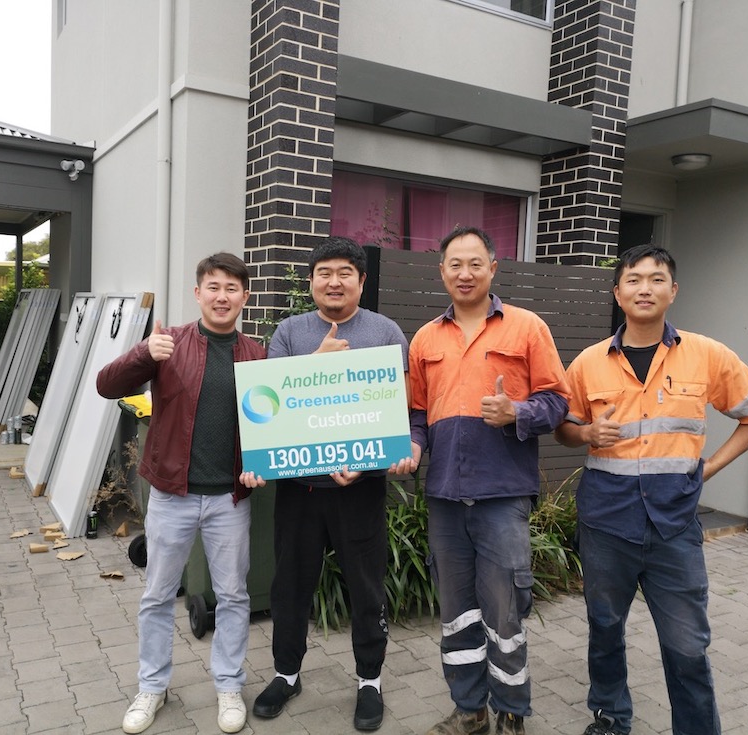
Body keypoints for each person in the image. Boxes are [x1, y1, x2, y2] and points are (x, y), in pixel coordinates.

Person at [554, 244, 748, 735]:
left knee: (687, 645)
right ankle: (611, 717)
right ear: (617, 293)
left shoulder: (706, 354)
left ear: (673, 291)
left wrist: (709, 468)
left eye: (656, 279)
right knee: (605, 629)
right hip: (606, 524)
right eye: (633, 280)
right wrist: (586, 432)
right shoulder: (589, 362)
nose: (645, 289)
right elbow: (564, 429)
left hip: (673, 527)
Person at [242, 236, 412, 732]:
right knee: (290, 586)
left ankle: (369, 680)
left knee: (366, 587)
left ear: (361, 280)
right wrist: (316, 361)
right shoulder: (290, 331)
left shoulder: (384, 331)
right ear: (312, 280)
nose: (334, 282)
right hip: (300, 488)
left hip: (360, 488)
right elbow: (271, 402)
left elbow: (397, 405)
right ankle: (286, 674)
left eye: (344, 273)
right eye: (324, 273)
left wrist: (366, 461)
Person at [409, 226, 571, 735]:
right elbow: (417, 411)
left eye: (475, 263)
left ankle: (511, 712)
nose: (465, 273)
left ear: (493, 269)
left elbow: (557, 401)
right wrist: (413, 443)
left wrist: (516, 411)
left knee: (504, 612)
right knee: (456, 611)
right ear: (442, 271)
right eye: (455, 264)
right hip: (445, 495)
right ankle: (470, 709)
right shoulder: (425, 338)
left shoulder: (526, 327)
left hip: (502, 495)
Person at [96, 252, 265, 735]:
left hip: (230, 499)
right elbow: (106, 385)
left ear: (244, 297)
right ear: (198, 293)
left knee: (233, 596)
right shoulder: (168, 344)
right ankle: (152, 687)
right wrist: (143, 353)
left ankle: (228, 684)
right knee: (157, 595)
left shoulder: (257, 355)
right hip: (173, 495)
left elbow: (269, 421)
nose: (221, 296)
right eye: (213, 286)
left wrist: (260, 465)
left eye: (231, 288)